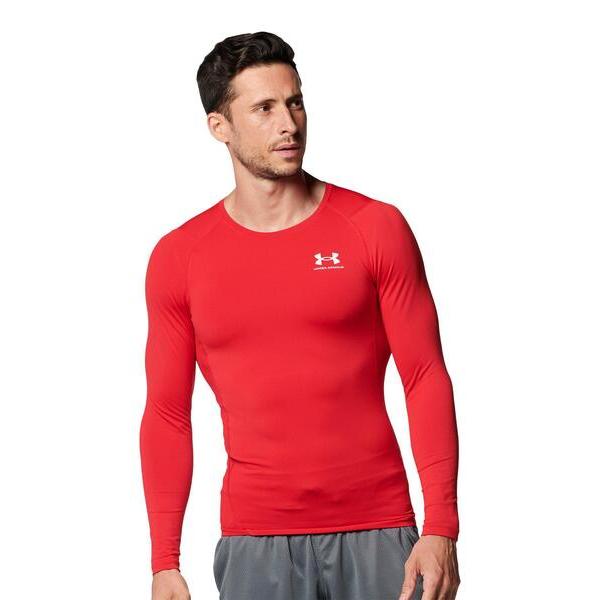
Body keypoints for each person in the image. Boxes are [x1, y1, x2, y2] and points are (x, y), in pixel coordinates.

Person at [140, 31, 461, 600]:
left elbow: (424, 374)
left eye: (295, 102)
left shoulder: (374, 228)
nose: (288, 124)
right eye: (263, 108)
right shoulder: (180, 257)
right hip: (254, 539)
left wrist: (441, 526)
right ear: (220, 126)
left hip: (380, 528)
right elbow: (168, 413)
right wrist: (164, 560)